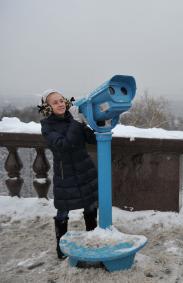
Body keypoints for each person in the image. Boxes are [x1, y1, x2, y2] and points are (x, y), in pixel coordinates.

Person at [38, 89, 98, 259]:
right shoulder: (47, 126)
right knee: (63, 212)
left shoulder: (73, 119)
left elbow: (92, 140)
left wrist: (91, 122)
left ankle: (92, 240)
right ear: (47, 107)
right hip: (66, 175)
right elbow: (64, 145)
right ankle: (61, 248)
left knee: (91, 207)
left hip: (85, 170)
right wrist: (77, 123)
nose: (60, 104)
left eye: (62, 100)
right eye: (55, 102)